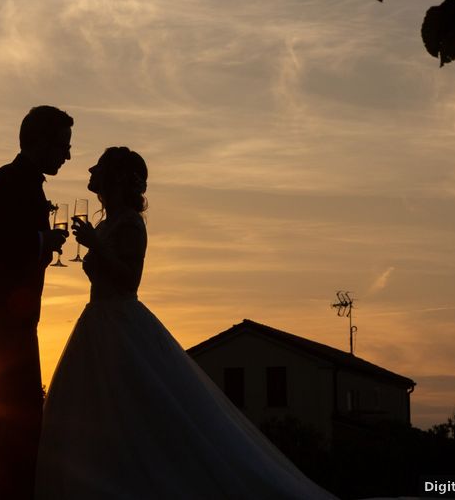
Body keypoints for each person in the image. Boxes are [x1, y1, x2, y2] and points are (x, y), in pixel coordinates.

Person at [34, 147, 339, 499]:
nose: (92, 170)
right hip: (99, 321)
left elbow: (129, 279)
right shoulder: (107, 222)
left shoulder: (130, 222)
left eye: (100, 166)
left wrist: (95, 246)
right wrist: (94, 242)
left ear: (115, 177)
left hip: (119, 322)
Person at [0, 106, 73, 499]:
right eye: (62, 145)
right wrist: (42, 242)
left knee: (13, 413)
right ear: (38, 142)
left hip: (12, 315)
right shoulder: (8, 179)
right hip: (0, 314)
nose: (67, 155)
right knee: (17, 416)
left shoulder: (26, 183)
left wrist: (41, 244)